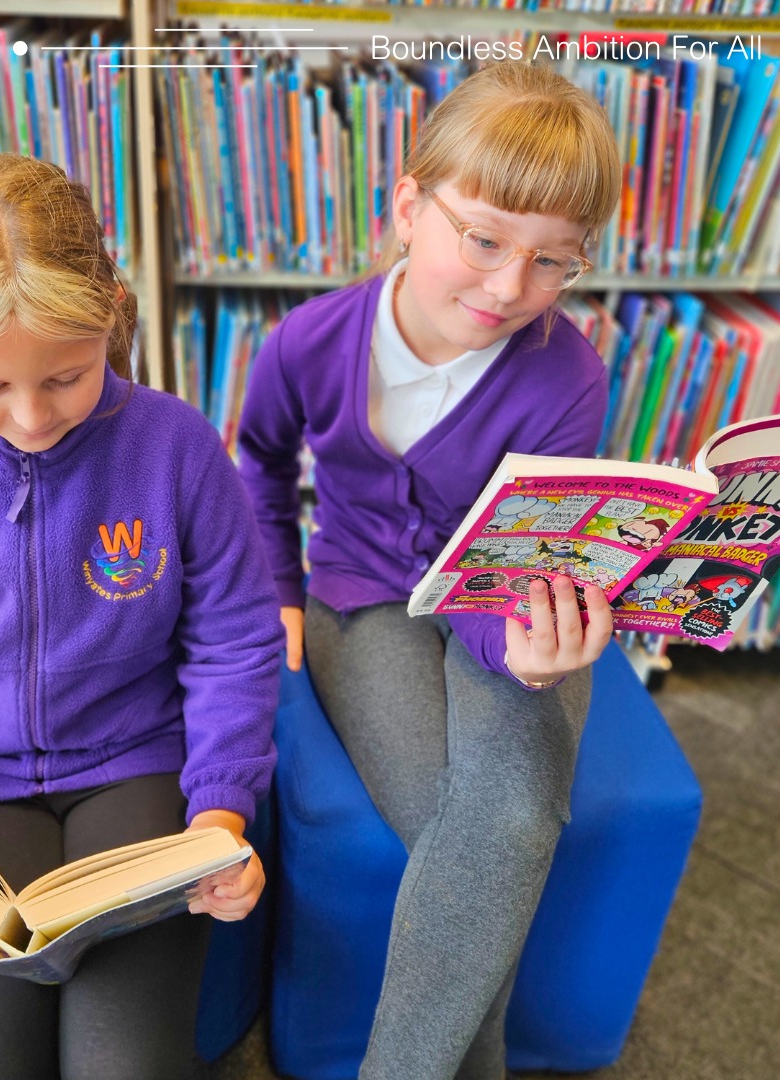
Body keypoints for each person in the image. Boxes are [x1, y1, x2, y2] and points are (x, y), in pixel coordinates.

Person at [0, 152, 283, 1080]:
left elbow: (234, 641)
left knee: (128, 1067)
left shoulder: (177, 448)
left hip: (139, 767)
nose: (32, 417)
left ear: (112, 307)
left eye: (67, 378)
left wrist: (222, 811)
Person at [238, 62, 622, 1080]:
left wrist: (531, 661)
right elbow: (260, 465)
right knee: (488, 839)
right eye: (484, 238)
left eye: (554, 262)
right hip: (360, 596)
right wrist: (279, 588)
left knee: (509, 816)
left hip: (511, 606)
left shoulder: (567, 374)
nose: (509, 288)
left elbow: (533, 562)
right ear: (408, 206)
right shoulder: (308, 342)